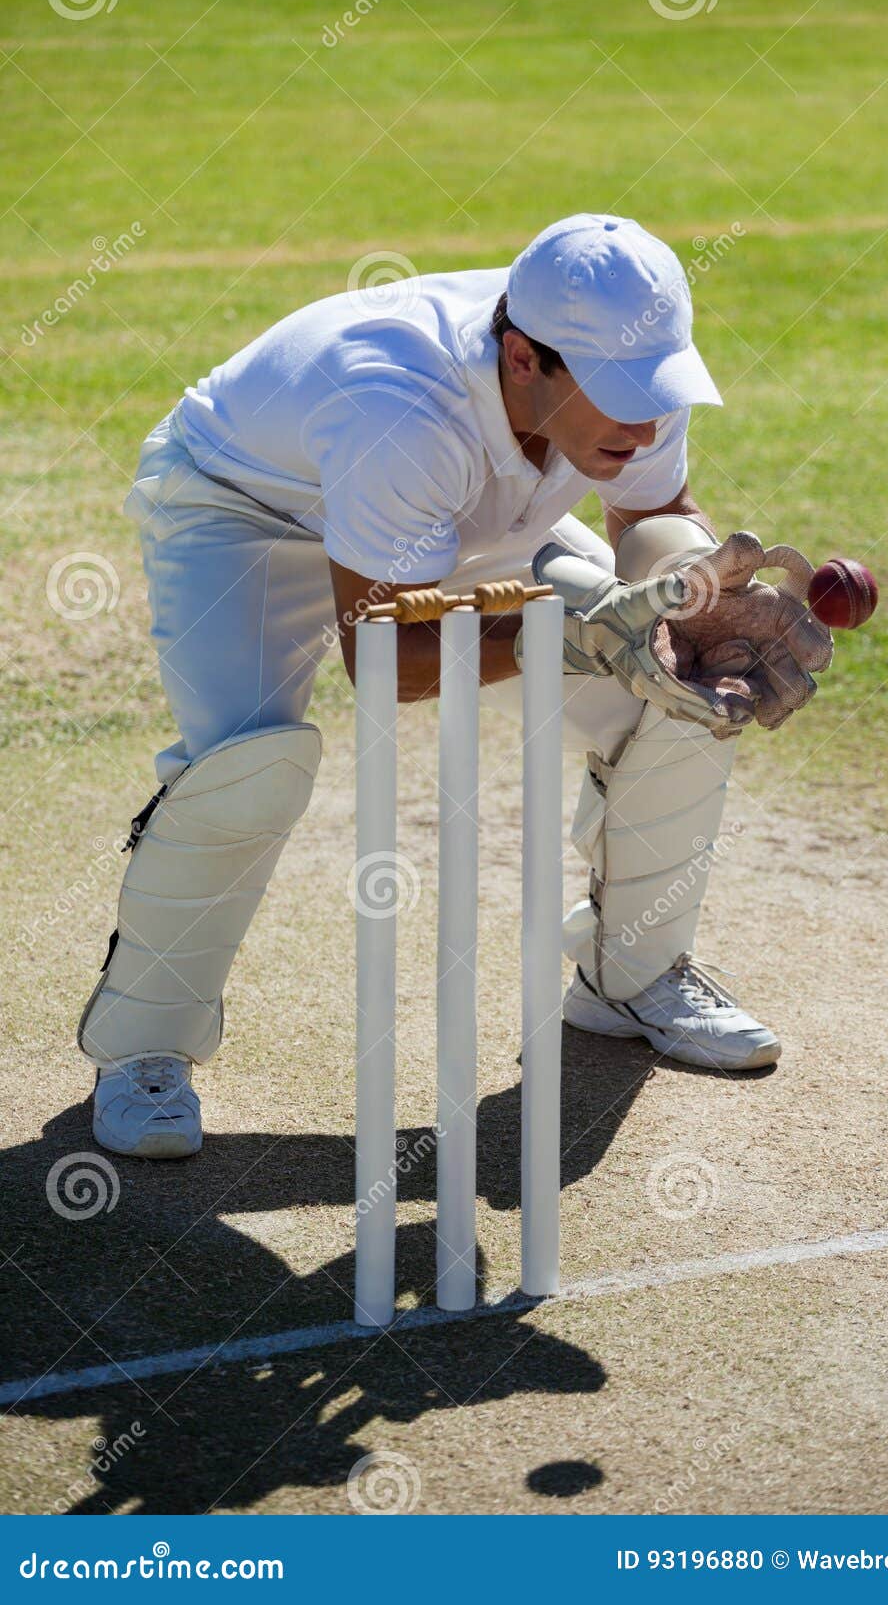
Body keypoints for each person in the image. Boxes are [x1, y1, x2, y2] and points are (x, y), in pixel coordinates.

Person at [80, 213, 831, 1159]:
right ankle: (142, 1045)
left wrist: (691, 591)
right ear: (523, 358)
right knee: (245, 764)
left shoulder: (625, 367)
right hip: (244, 511)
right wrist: (579, 633)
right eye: (616, 397)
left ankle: (627, 976)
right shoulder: (397, 403)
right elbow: (388, 657)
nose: (643, 421)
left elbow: (654, 509)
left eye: (657, 392)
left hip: (457, 521)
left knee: (675, 688)